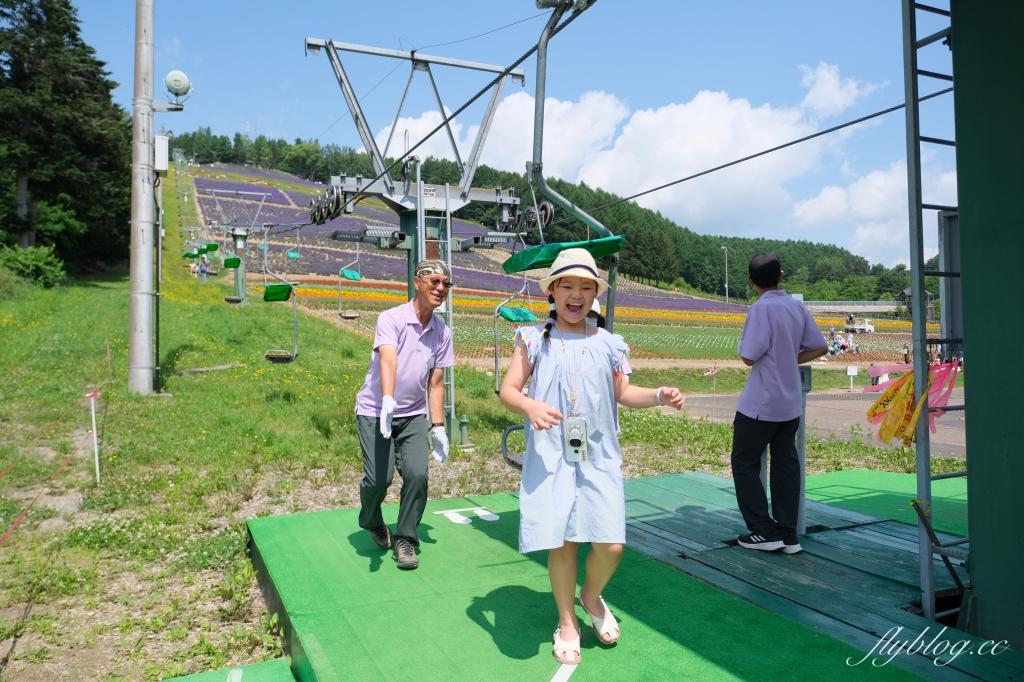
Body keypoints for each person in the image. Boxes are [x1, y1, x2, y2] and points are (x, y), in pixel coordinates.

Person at [499, 249, 683, 666]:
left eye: (586, 286)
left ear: (595, 295)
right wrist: (529, 407)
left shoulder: (610, 344)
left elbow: (623, 394)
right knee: (562, 541)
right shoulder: (532, 339)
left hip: (598, 456)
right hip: (551, 457)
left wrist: (658, 395)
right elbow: (509, 389)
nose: (576, 294)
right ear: (552, 291)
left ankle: (591, 595)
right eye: (567, 285)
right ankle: (567, 621)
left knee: (611, 545)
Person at [353, 260, 454, 570]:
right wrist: (386, 400)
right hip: (375, 411)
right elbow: (388, 361)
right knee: (377, 480)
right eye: (435, 281)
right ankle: (371, 519)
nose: (441, 288)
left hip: (412, 415)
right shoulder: (391, 319)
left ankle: (405, 538)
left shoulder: (442, 332)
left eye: (446, 284)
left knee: (417, 475)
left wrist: (438, 426)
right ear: (417, 282)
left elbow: (435, 383)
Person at [732, 253, 828, 555]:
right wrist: (787, 358)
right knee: (786, 464)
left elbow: (749, 356)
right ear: (780, 277)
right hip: (790, 403)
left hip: (760, 404)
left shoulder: (761, 309)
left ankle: (763, 530)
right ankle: (788, 534)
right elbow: (820, 346)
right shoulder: (796, 306)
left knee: (744, 463)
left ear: (750, 282)